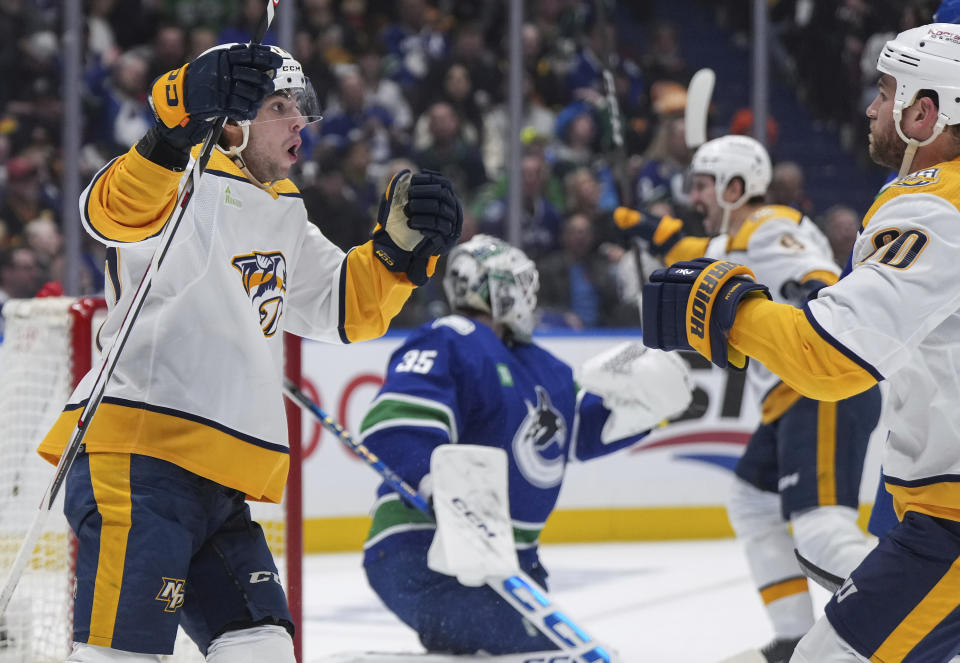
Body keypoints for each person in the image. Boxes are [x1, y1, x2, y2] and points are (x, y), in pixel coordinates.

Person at [34, 42, 462, 662]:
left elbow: (344, 309)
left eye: (301, 108)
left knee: (260, 649)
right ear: (231, 119)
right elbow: (109, 214)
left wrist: (398, 254)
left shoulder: (282, 203)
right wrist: (175, 124)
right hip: (139, 460)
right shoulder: (184, 174)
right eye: (279, 106)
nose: (299, 122)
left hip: (217, 481)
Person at [640, 23, 960, 663]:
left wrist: (726, 312)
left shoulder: (933, 208)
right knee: (754, 503)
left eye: (885, 92)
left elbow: (831, 347)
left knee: (821, 560)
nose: (872, 108)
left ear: (924, 112)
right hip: (933, 508)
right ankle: (793, 627)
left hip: (945, 524)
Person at [358, 234, 694, 656]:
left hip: (510, 566)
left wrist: (641, 409)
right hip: (422, 551)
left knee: (531, 648)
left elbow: (572, 436)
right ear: (499, 290)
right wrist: (442, 493)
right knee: (544, 650)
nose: (528, 297)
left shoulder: (541, 365)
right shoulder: (451, 338)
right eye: (521, 284)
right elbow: (397, 424)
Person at [614, 134, 881, 663]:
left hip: (819, 390)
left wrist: (809, 292)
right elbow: (698, 255)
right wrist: (651, 229)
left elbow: (819, 278)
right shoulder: (734, 239)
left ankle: (913, 617)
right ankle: (792, 638)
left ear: (738, 187)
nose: (695, 197)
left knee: (821, 528)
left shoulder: (772, 225)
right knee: (751, 500)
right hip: (789, 400)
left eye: (704, 185)